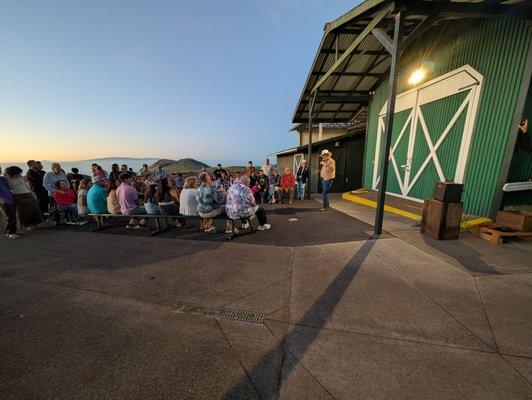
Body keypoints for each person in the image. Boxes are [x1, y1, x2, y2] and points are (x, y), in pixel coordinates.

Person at [0, 174, 21, 239]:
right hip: (4, 200)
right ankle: (11, 233)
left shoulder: (3, 179)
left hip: (10, 198)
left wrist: (8, 179)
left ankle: (10, 232)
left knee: (12, 216)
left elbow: (11, 187)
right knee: (10, 217)